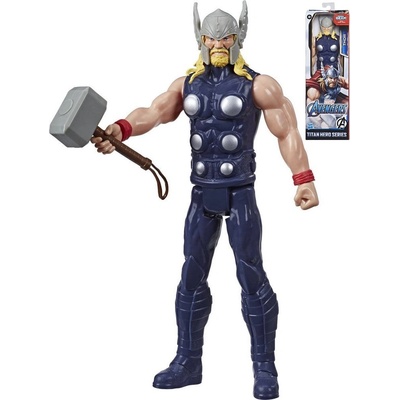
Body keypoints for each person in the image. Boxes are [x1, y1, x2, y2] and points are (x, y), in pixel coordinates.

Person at [92, 2, 319, 399]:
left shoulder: (259, 85)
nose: (217, 44)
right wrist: (120, 129)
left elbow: (286, 131)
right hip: (201, 193)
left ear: (238, 38)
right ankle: (187, 361)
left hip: (240, 192)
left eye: (225, 37)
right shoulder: (187, 85)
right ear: (200, 39)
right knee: (191, 276)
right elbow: (154, 112)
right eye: (210, 38)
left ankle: (265, 366)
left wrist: (303, 178)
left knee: (251, 276)